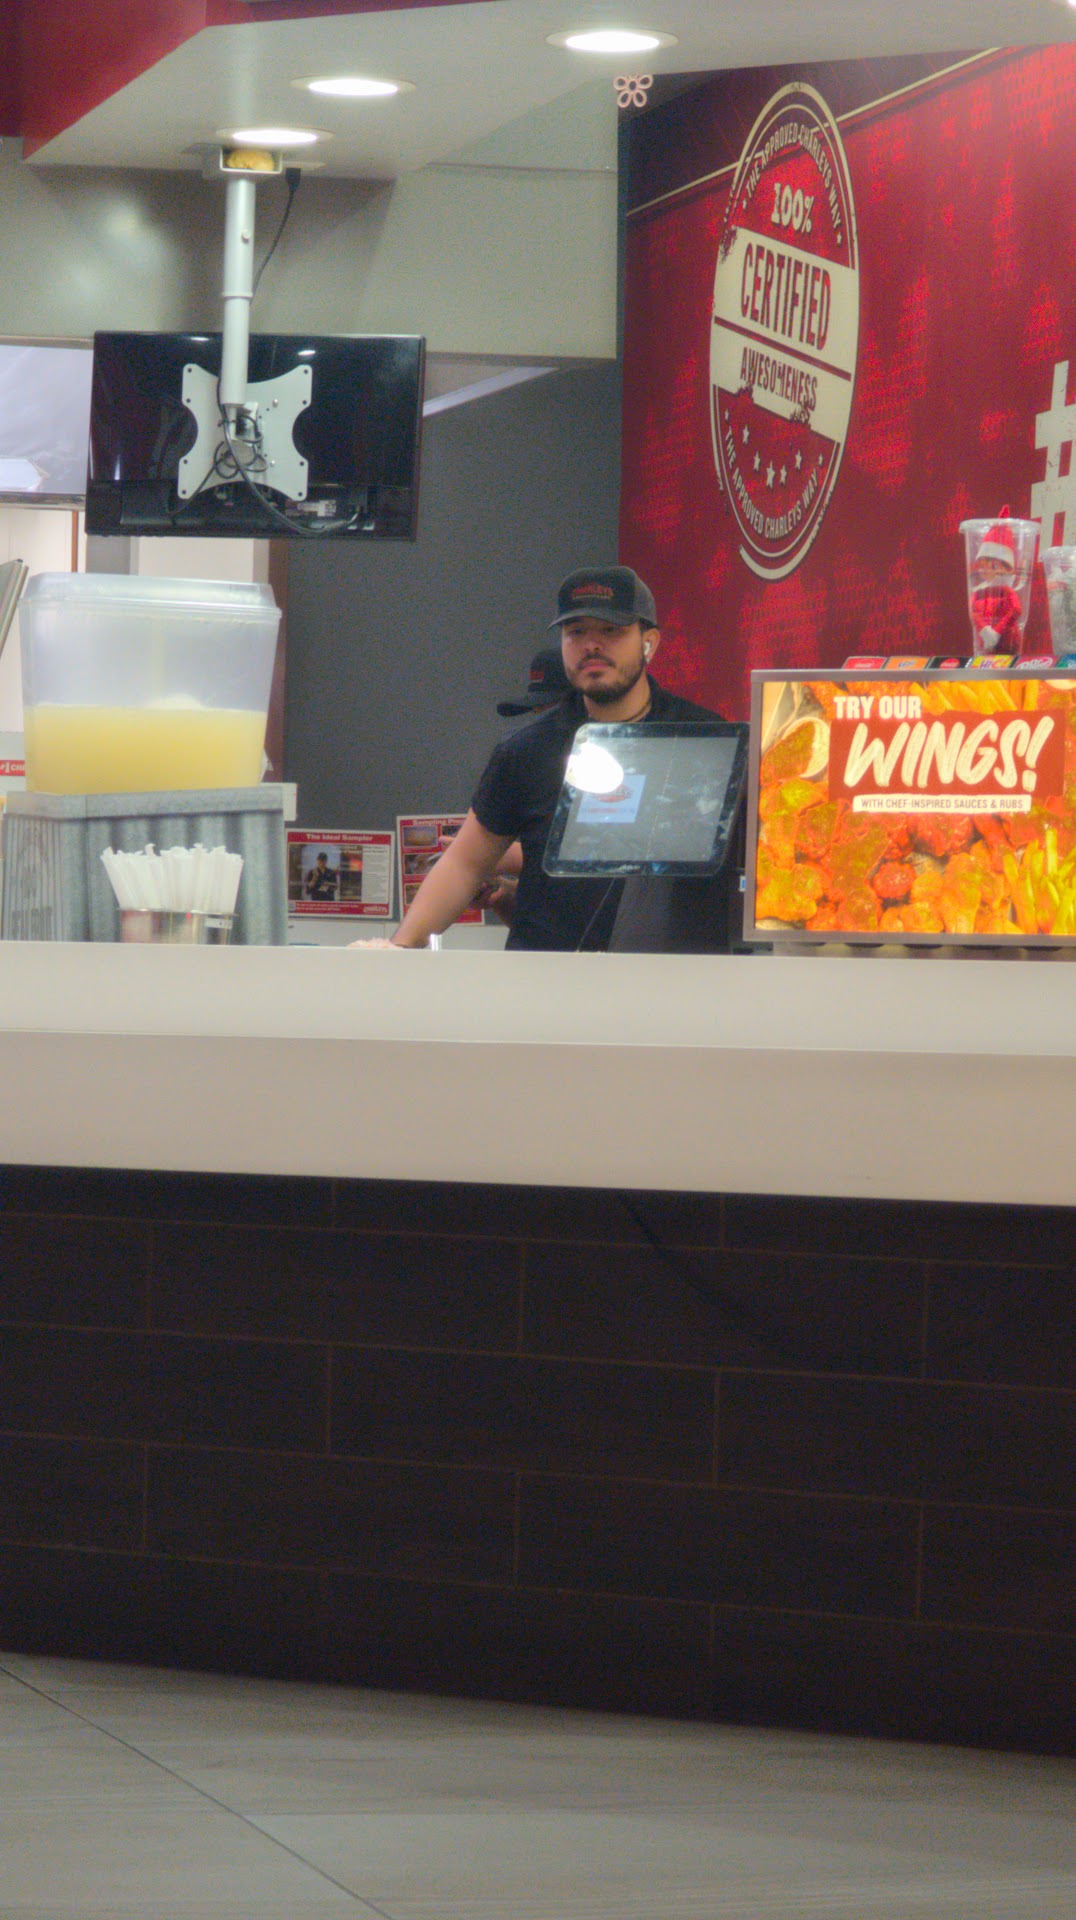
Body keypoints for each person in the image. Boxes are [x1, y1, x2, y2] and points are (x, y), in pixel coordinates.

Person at [374, 565, 722, 951]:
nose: (592, 645)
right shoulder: (527, 750)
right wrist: (399, 948)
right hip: (544, 974)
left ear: (649, 643)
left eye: (611, 630)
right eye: (576, 632)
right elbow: (465, 864)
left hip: (672, 974)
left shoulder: (704, 740)